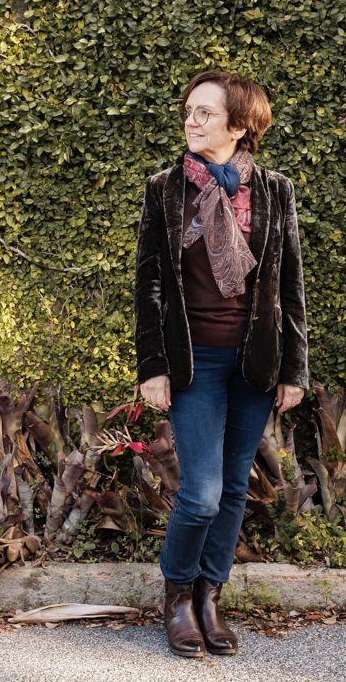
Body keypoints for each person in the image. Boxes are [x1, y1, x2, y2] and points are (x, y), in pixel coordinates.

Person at [134, 69, 309, 658]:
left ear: (239, 126)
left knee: (235, 487)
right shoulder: (164, 190)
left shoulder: (275, 191)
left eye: (205, 113)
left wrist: (294, 370)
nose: (191, 120)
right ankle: (177, 595)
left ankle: (211, 595)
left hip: (254, 363)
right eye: (188, 110)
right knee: (202, 493)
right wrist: (152, 366)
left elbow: (289, 283)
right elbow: (150, 284)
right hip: (195, 360)